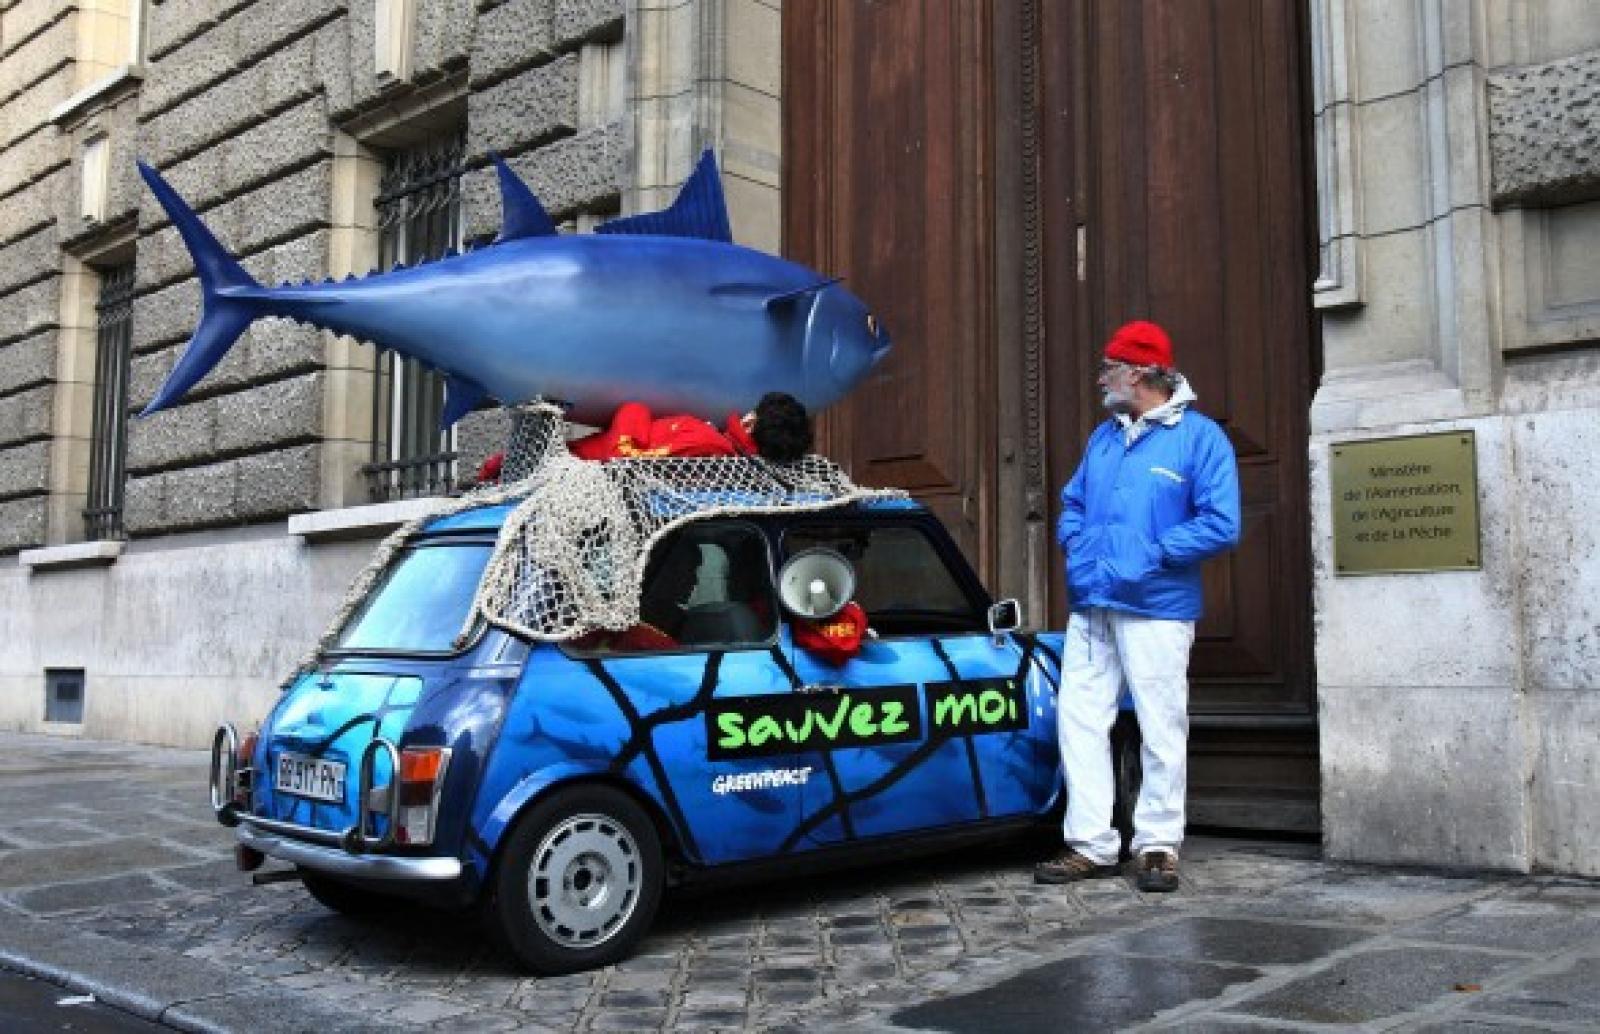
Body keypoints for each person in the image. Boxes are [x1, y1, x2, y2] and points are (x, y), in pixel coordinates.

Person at [1034, 320, 1240, 893]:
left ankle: (1157, 844)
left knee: (1160, 724)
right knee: (1078, 720)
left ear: (1141, 373)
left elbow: (1221, 523)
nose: (1101, 376)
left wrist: (1150, 554)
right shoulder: (1104, 437)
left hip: (1157, 606)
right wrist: (1076, 544)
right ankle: (1091, 844)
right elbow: (1072, 501)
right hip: (1094, 603)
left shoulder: (1200, 439)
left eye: (1110, 366)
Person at [569, 391, 813, 462]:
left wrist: (634, 411)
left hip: (575, 463)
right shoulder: (718, 445)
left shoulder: (709, 446)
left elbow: (624, 460)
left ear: (751, 424)